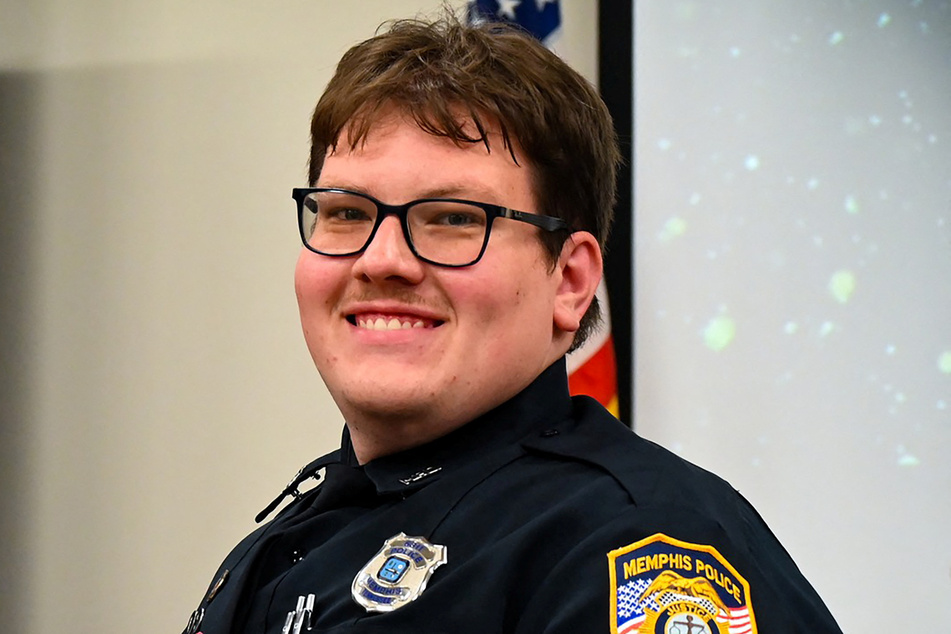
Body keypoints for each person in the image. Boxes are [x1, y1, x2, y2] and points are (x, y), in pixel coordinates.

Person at [182, 14, 842, 634]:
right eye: (347, 214)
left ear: (571, 280)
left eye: (452, 219)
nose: (381, 260)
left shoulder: (636, 544)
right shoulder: (295, 532)